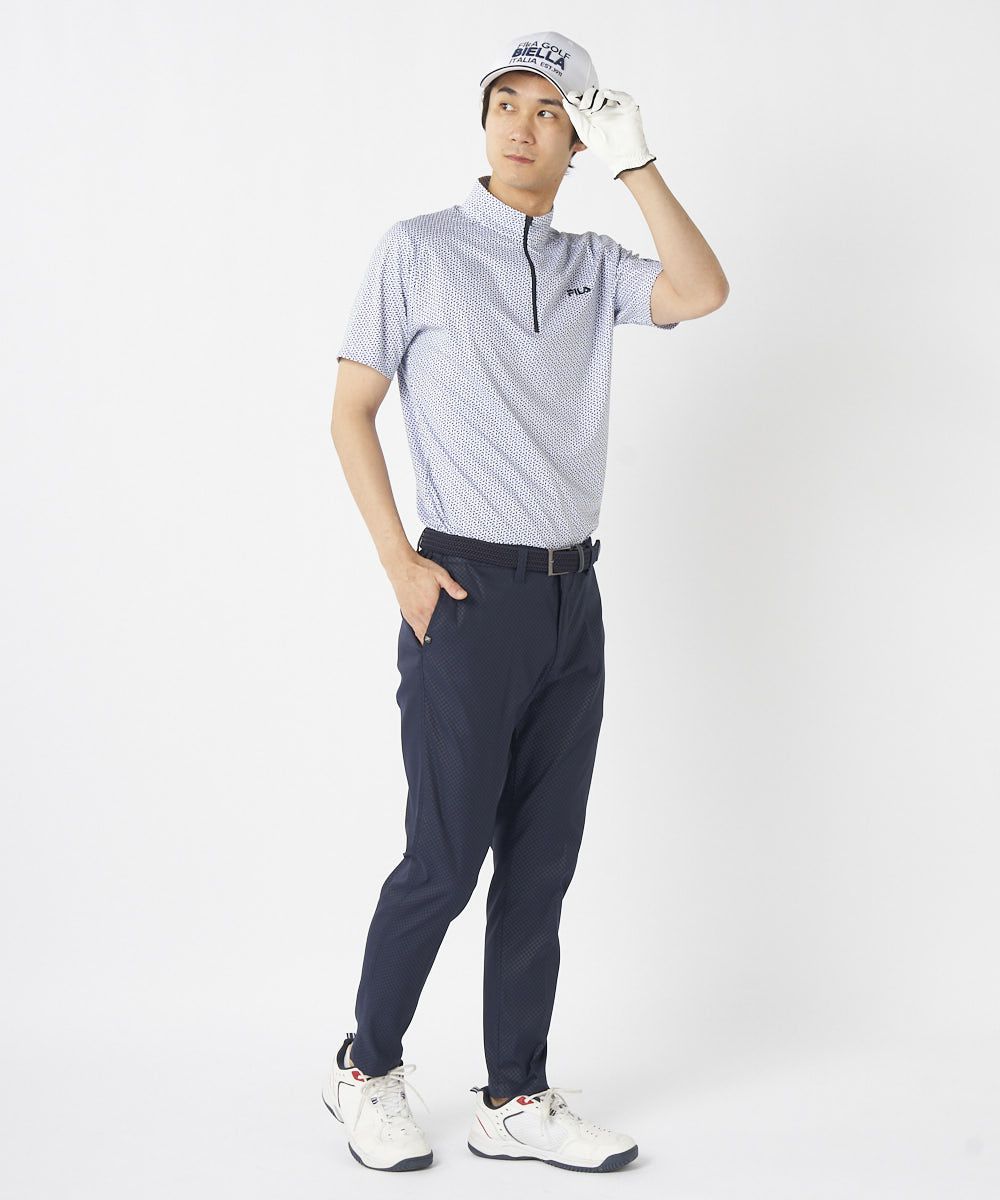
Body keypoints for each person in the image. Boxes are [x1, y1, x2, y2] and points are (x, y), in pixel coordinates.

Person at [322, 30, 729, 1173]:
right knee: (445, 859)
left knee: (540, 864)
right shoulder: (419, 251)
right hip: (462, 594)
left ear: (575, 139)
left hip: (570, 600)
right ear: (484, 119)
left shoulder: (593, 264)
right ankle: (364, 1068)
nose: (521, 124)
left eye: (549, 110)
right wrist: (400, 564)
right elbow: (350, 410)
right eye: (506, 102)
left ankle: (514, 1096)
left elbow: (702, 290)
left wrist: (639, 165)